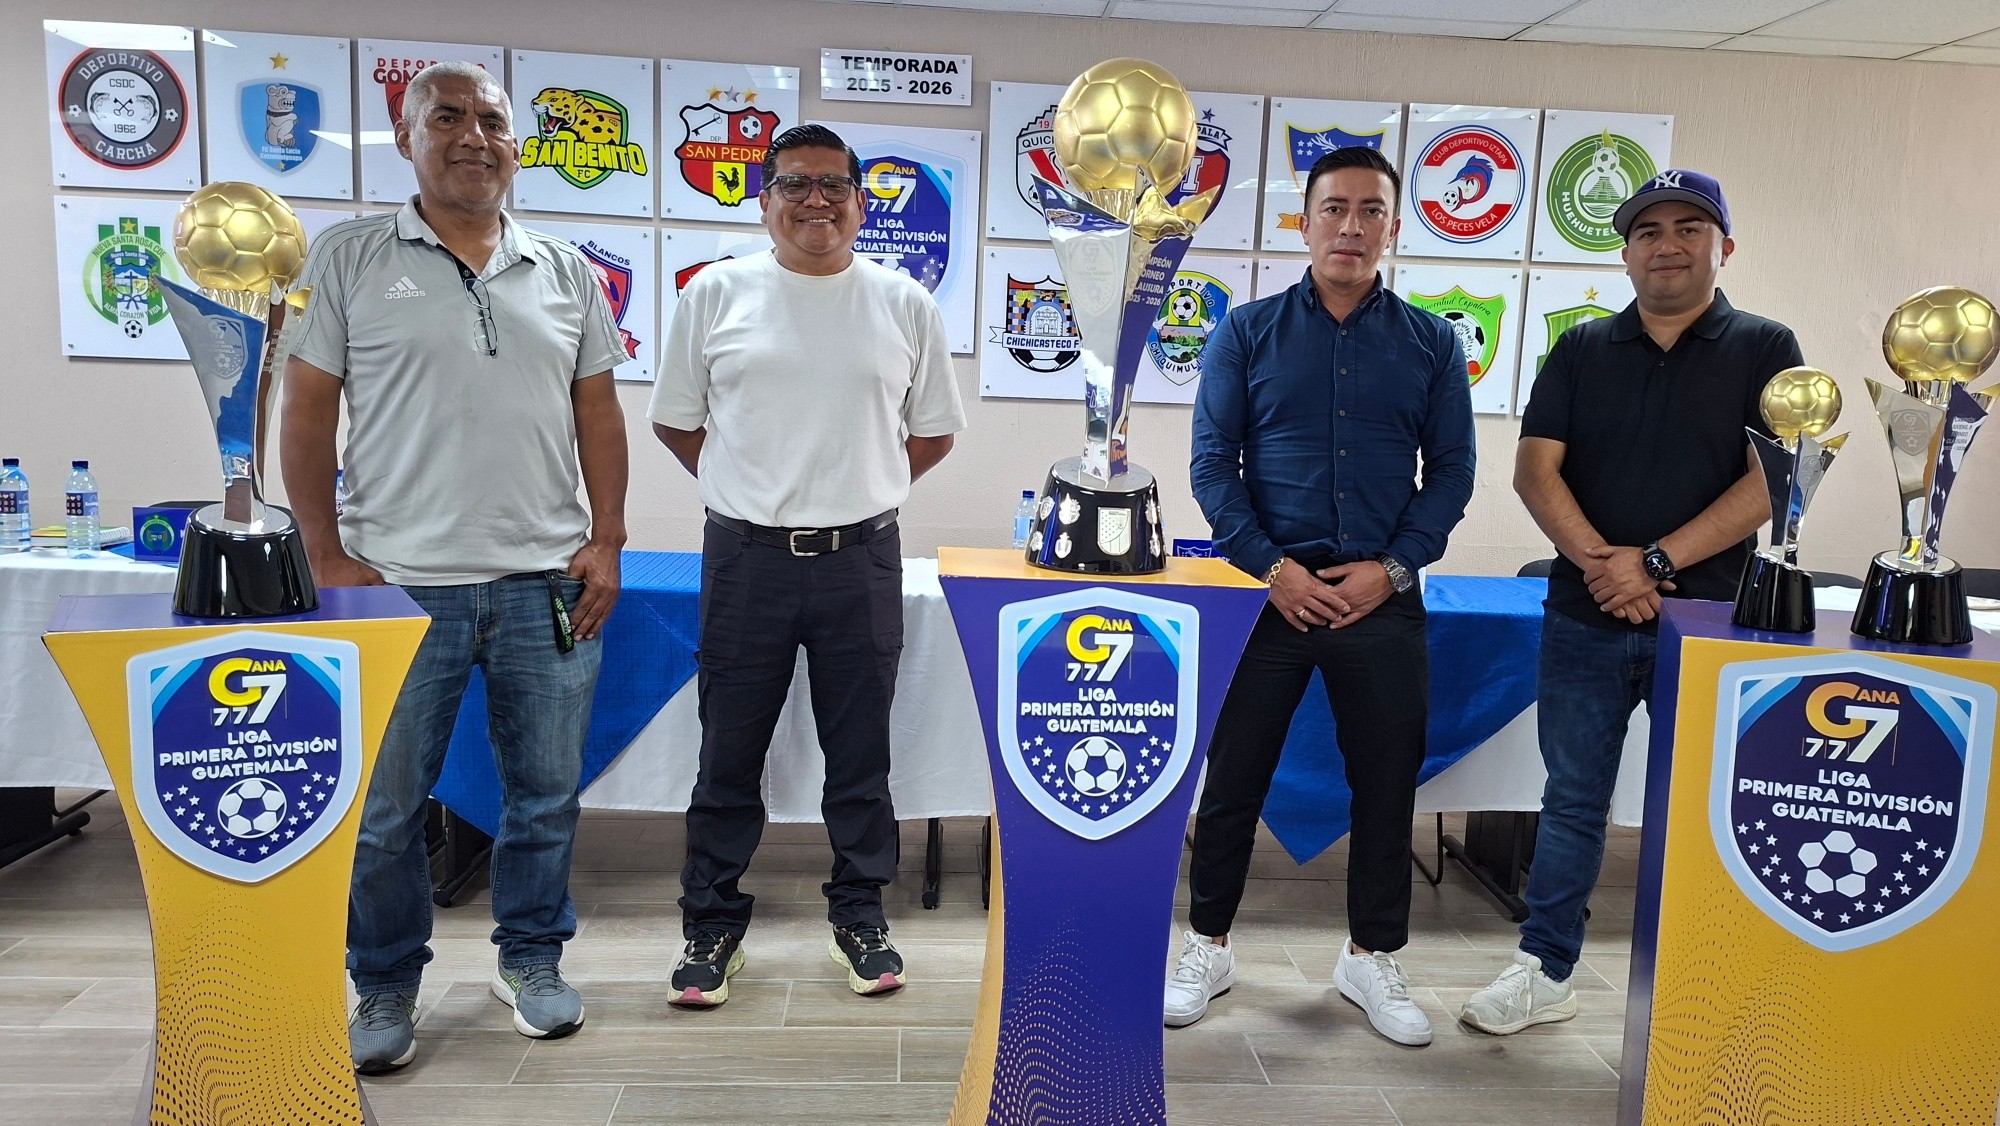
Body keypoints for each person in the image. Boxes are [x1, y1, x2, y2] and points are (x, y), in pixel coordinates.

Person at [280, 60, 630, 1071]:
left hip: (545, 582)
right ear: (406, 137)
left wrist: (606, 537)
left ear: (517, 143)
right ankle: (386, 981)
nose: (474, 136)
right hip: (397, 583)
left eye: (492, 120)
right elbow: (305, 412)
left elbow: (599, 413)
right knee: (386, 811)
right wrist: (323, 549)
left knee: (545, 796)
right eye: (447, 117)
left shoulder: (563, 269)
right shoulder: (348, 257)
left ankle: (530, 960)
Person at [1460, 171, 1801, 1034]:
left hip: (1711, 622)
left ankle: (1707, 978)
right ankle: (1545, 970)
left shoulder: (1767, 346)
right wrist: (1604, 569)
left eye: (1689, 228)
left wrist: (1651, 562)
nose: (1667, 245)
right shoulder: (1581, 348)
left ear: (1724, 247)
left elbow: (1773, 482)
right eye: (1648, 231)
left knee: (1708, 804)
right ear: (1625, 254)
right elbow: (1534, 470)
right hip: (1585, 617)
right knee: (1573, 799)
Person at [649, 124, 965, 1007]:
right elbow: (676, 420)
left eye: (834, 185)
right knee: (727, 754)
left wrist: (862, 489)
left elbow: (933, 433)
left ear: (861, 204)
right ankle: (710, 927)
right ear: (766, 201)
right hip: (745, 558)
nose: (815, 200)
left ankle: (860, 916)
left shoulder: (905, 302)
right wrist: (746, 487)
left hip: (860, 558)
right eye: (795, 184)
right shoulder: (715, 293)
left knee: (860, 758)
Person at [1172, 145, 1476, 1044]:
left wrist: (1396, 568)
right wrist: (1274, 569)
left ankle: (1370, 955)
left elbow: (1452, 474)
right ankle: (1207, 944)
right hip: (1267, 598)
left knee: (1385, 787)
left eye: (1370, 210)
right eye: (1334, 209)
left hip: (1383, 595)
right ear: (1304, 224)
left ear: (1392, 226)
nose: (1351, 226)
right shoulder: (1246, 332)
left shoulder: (1432, 342)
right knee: (1234, 781)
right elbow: (1212, 468)